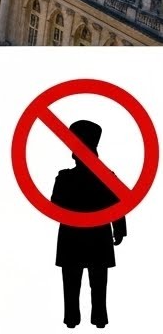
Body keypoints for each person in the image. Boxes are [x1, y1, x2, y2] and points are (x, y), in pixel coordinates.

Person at [53, 119, 127, 329]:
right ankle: (99, 319)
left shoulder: (65, 178)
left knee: (72, 282)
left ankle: (71, 319)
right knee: (98, 283)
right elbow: (118, 205)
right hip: (98, 235)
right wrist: (119, 229)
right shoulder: (107, 177)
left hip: (72, 235)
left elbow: (54, 204)